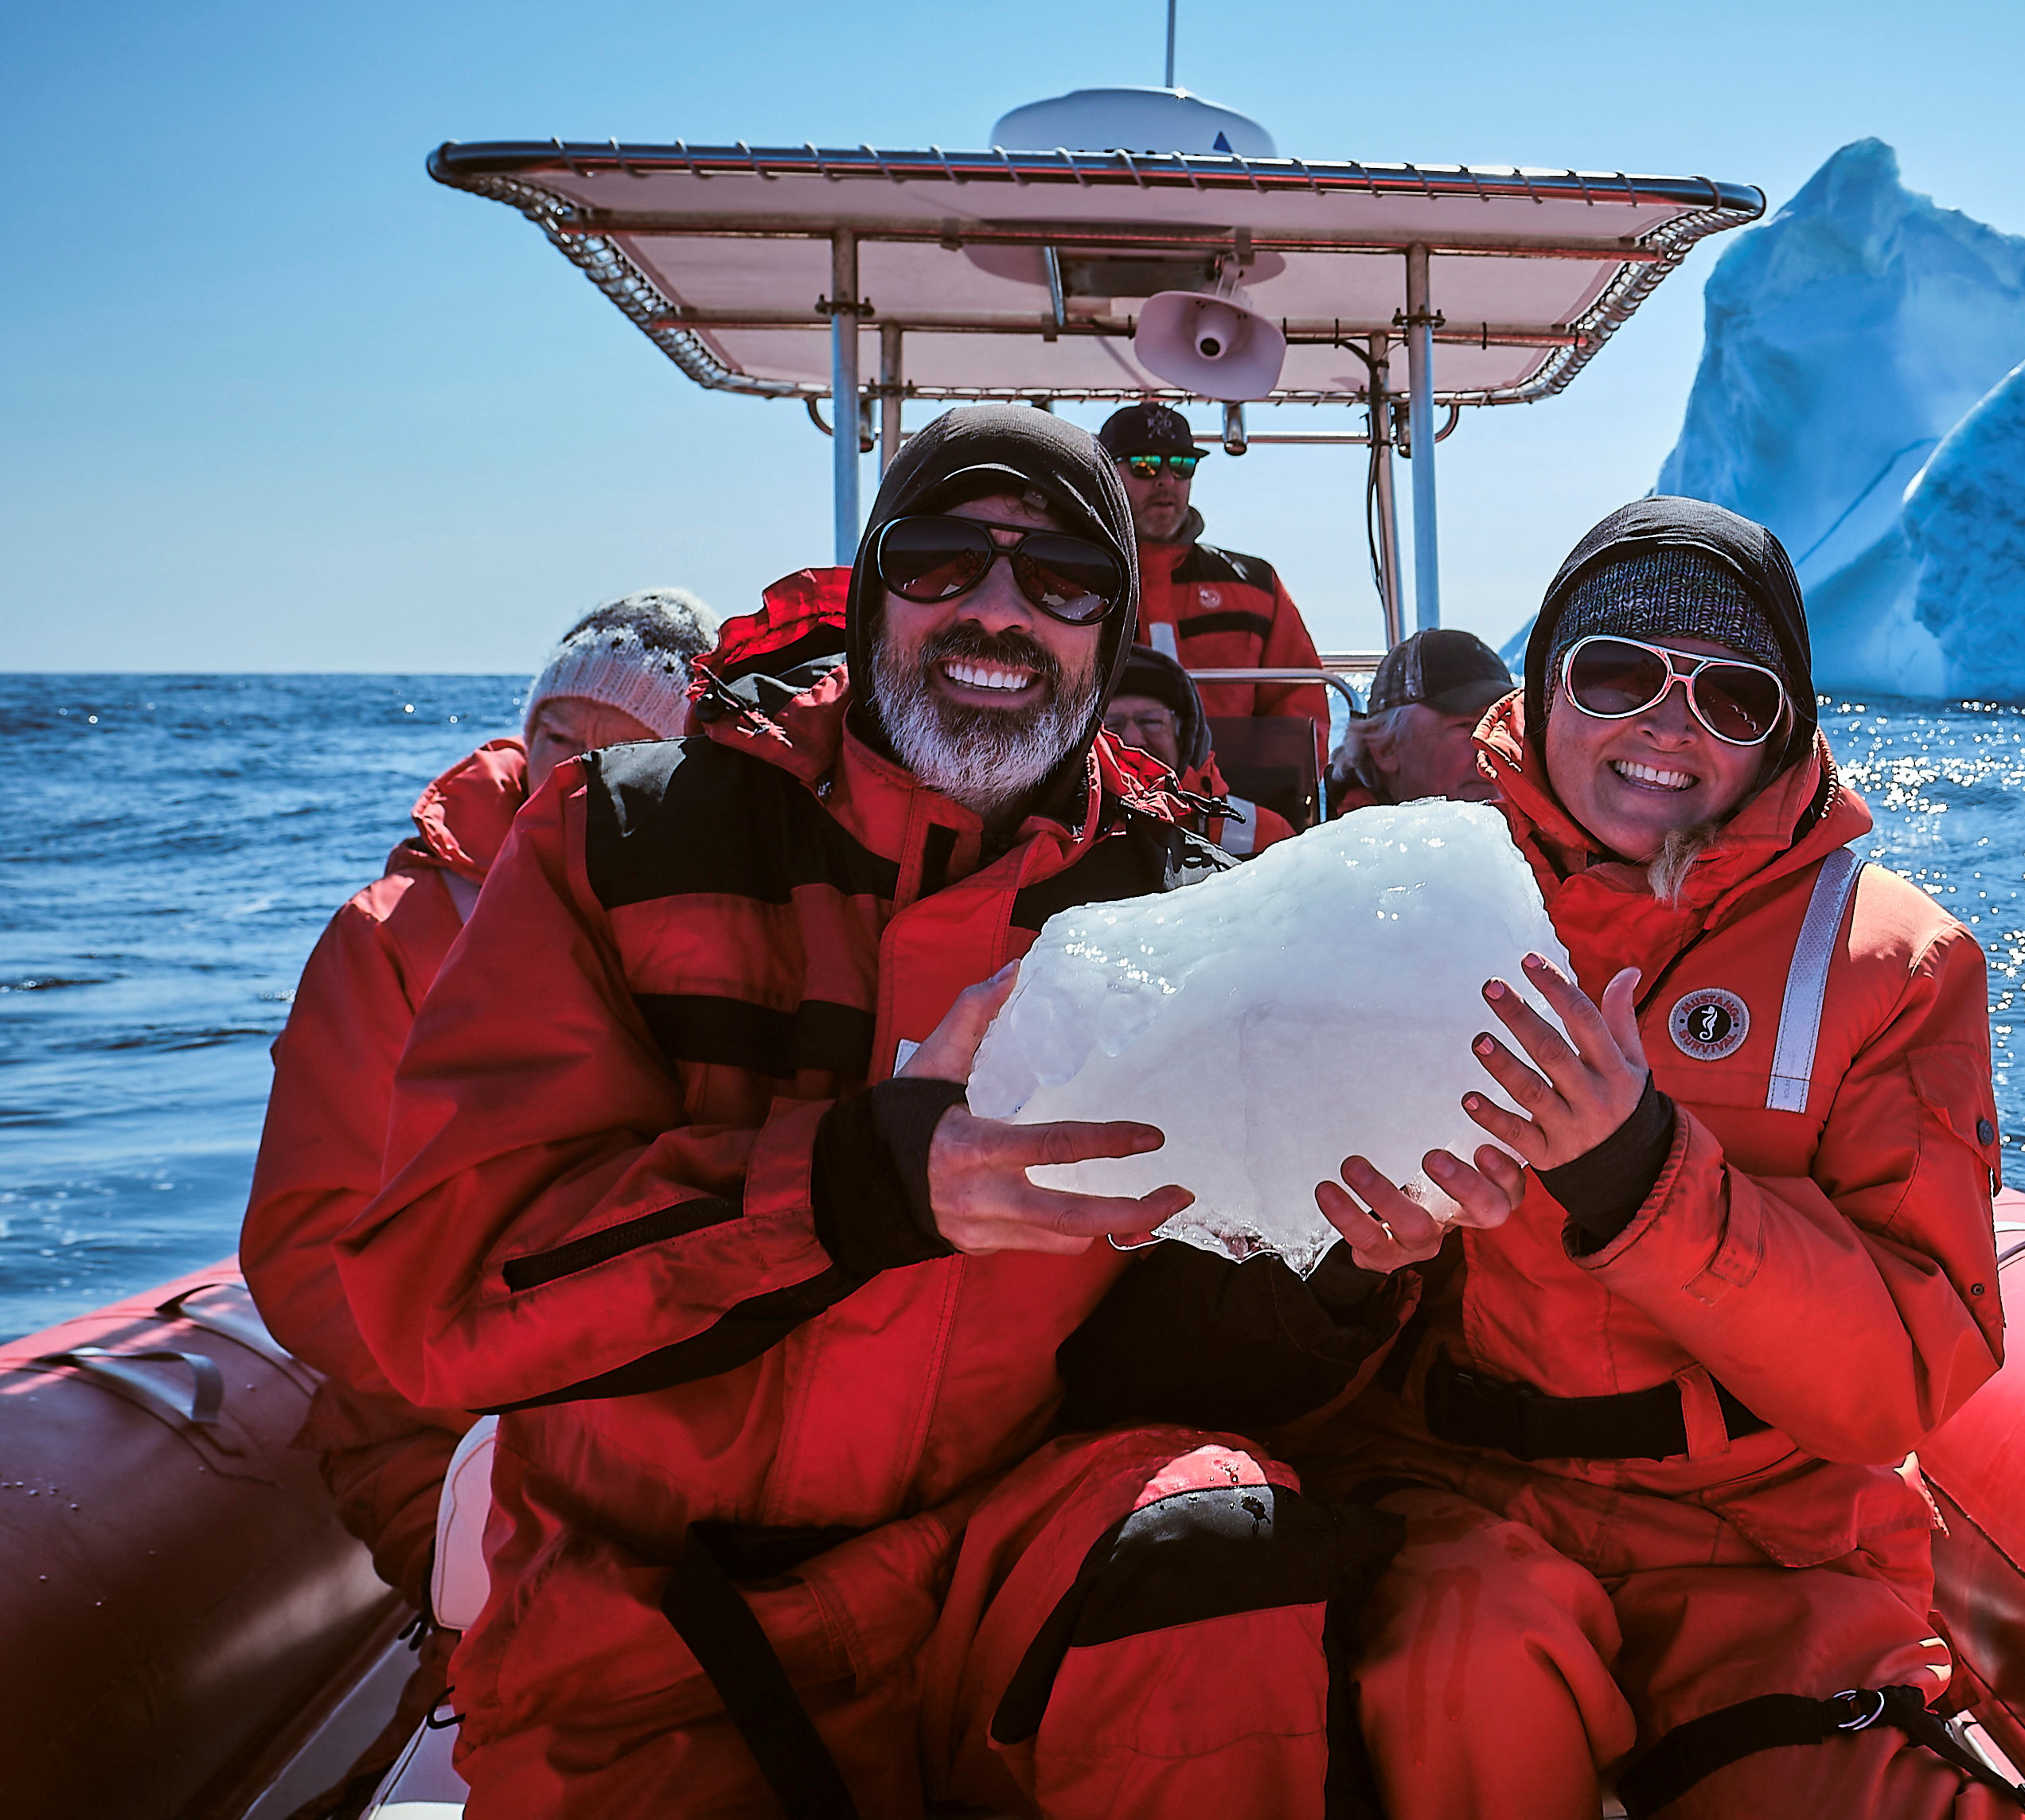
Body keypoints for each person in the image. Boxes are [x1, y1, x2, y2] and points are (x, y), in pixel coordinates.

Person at [334, 406, 1513, 1818]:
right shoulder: (626, 840)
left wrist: (1338, 1274)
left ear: (1110, 625)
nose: (1000, 611)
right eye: (946, 559)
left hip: (989, 1572)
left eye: (1063, 579)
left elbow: (1166, 1347)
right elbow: (440, 1288)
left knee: (1219, 1539)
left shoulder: (1180, 914)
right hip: (649, 1629)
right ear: (873, 587)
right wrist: (861, 1181)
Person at [1321, 499, 2025, 1818]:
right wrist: (1350, 1271)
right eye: (1616, 672)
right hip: (1459, 1497)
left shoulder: (1895, 969)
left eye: (1732, 695)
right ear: (1542, 690)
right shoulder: (1394, 906)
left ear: (1784, 729)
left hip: (1775, 1541)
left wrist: (1641, 1176)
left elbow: (1903, 1383)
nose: (1667, 722)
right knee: (1462, 1657)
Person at [243, 588, 713, 1605]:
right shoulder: (393, 936)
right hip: (441, 1426)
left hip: (678, 1427)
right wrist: (533, 1393)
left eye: (622, 751)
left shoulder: (725, 935)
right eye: (557, 736)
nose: (572, 778)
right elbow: (303, 1249)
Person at [1099, 402, 1330, 739]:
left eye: (1181, 465)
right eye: (1144, 465)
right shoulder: (1071, 582)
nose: (1166, 480)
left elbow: (1299, 700)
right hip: (1101, 789)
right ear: (1105, 475)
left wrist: (1270, 789)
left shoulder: (1256, 585)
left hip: (1231, 789)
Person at [1103, 645, 1295, 856]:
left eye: (1151, 721)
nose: (1133, 739)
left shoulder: (1268, 835)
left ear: (1183, 733)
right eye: (1113, 725)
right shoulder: (1067, 841)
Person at [1325, 627, 1509, 814]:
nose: (1495, 751)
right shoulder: (1350, 842)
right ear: (1386, 750)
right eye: (1464, 725)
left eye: (1503, 728)